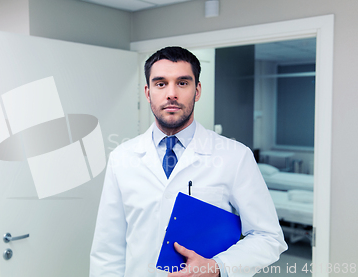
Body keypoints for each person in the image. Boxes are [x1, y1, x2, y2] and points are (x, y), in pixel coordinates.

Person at [90, 46, 287, 277]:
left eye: (182, 83)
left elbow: (269, 237)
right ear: (147, 92)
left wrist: (217, 267)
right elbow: (108, 249)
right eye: (160, 83)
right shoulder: (122, 158)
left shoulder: (235, 156)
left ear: (197, 90)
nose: (171, 93)